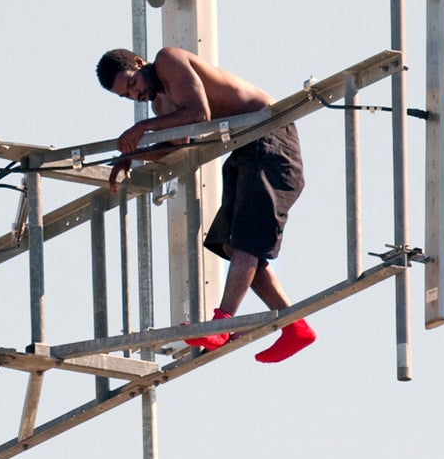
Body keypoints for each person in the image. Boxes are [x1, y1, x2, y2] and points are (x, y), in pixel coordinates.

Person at [96, 47, 316, 363]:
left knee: (245, 247)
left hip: (270, 140)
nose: (135, 95)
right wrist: (130, 155)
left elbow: (200, 114)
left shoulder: (168, 60)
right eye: (126, 96)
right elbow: (180, 145)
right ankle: (295, 326)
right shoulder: (162, 104)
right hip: (245, 149)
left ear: (139, 64)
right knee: (230, 244)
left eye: (132, 84)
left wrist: (141, 129)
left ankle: (222, 323)